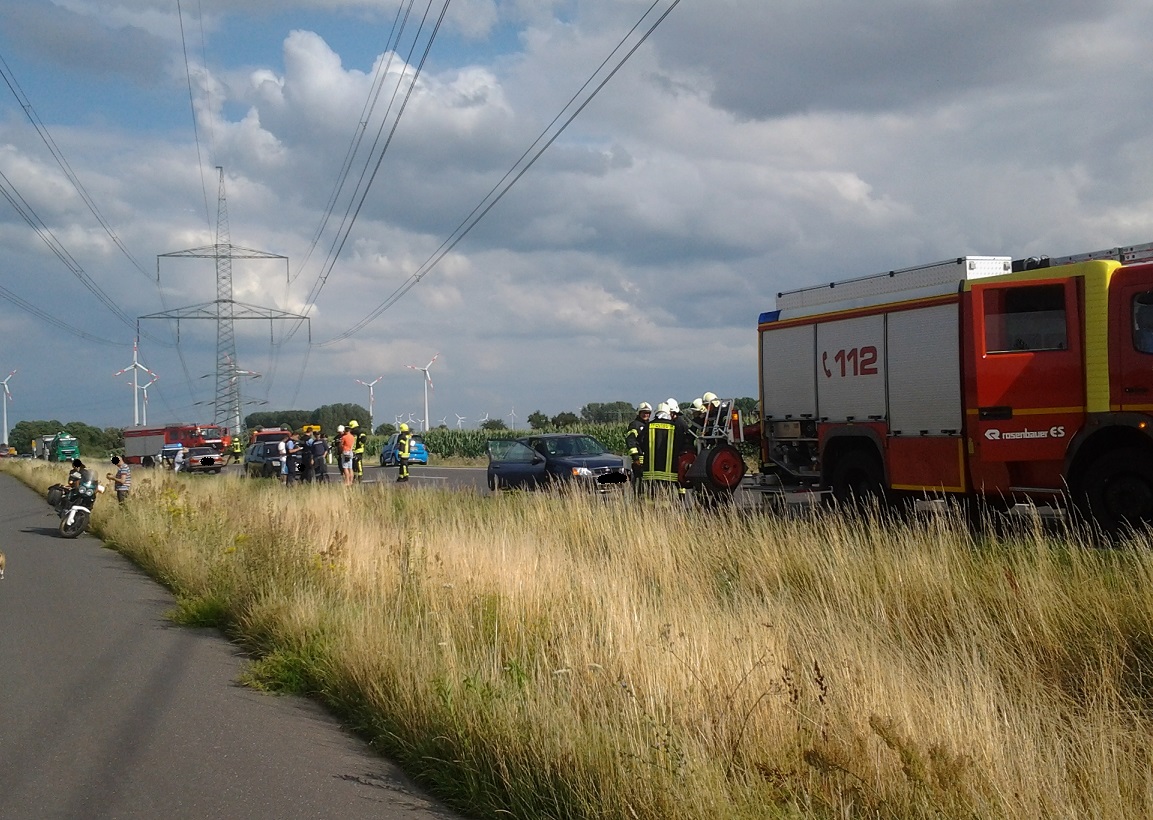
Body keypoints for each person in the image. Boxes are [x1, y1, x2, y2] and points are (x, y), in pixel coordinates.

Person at [637, 403, 689, 499]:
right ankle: (666, 511)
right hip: (670, 470)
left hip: (650, 470)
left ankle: (650, 511)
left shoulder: (648, 425)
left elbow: (640, 442)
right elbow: (682, 444)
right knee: (666, 494)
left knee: (651, 494)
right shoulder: (675, 427)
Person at [625, 402, 651, 497]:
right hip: (639, 459)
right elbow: (631, 441)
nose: (646, 414)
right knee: (638, 482)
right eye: (643, 412)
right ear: (639, 413)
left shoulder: (649, 424)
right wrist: (635, 457)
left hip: (647, 459)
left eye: (648, 413)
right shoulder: (635, 425)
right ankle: (637, 500)